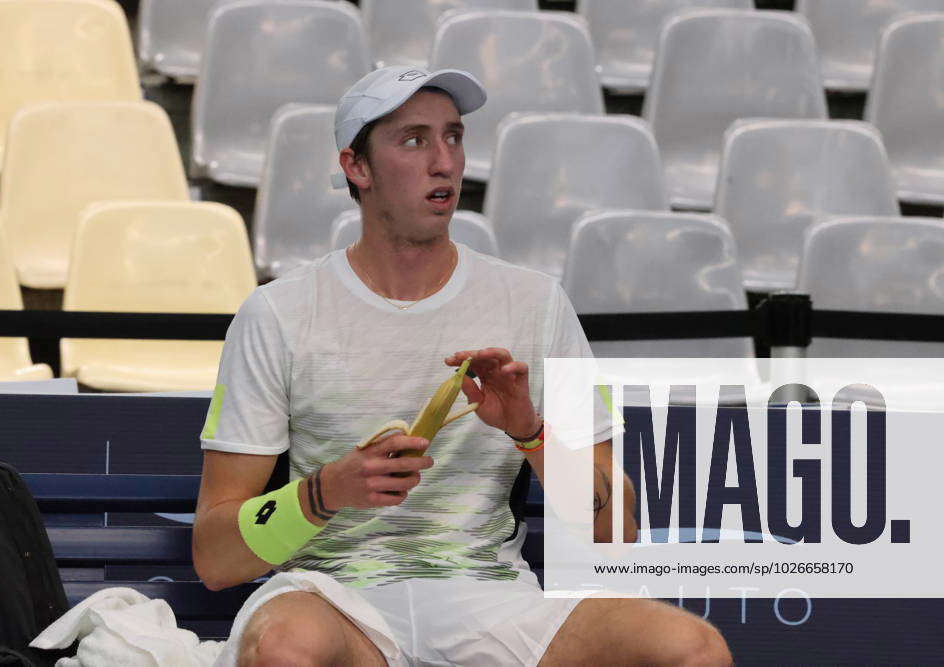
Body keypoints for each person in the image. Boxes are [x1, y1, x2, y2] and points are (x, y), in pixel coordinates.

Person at [193, 65, 732, 666]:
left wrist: (531, 432)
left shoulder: (536, 302)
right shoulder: (276, 314)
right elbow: (215, 559)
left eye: (453, 136)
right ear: (356, 167)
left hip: (492, 600)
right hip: (334, 598)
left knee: (692, 650)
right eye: (415, 140)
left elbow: (620, 536)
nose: (446, 162)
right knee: (283, 647)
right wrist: (325, 492)